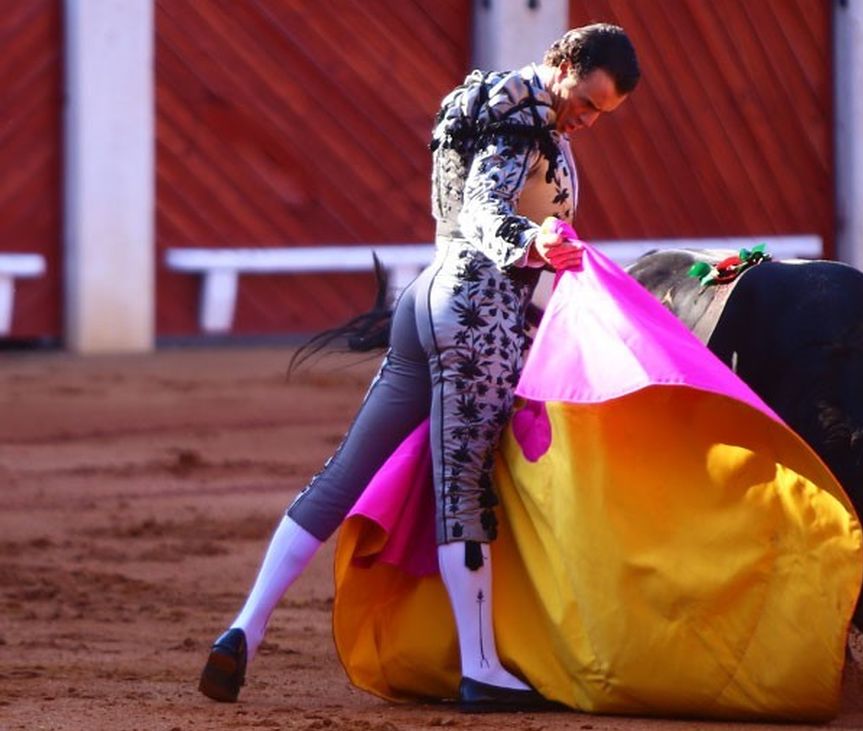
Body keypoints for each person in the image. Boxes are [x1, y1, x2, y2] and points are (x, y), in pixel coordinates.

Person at [198, 23, 639, 712]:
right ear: (559, 62)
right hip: (476, 315)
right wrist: (538, 240)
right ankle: (481, 666)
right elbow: (488, 214)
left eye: (598, 113)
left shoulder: (495, 102)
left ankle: (242, 629)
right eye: (583, 99)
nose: (583, 118)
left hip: (425, 300)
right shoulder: (521, 116)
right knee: (462, 485)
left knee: (345, 471)